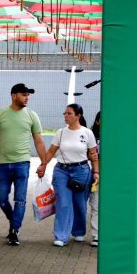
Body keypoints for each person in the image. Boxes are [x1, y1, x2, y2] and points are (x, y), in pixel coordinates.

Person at [0, 83, 47, 246]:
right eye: (24, 94)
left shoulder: (32, 116)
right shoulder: (0, 114)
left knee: (20, 200)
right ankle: (13, 220)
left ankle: (14, 231)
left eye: (28, 95)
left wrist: (44, 163)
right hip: (2, 164)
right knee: (1, 198)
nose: (27, 98)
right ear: (14, 95)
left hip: (22, 164)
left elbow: (39, 141)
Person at [40, 104, 99, 247]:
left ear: (78, 116)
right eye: (64, 113)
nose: (65, 116)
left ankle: (79, 231)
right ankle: (61, 236)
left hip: (81, 170)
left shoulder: (87, 133)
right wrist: (43, 165)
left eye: (69, 113)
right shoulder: (60, 132)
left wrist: (96, 172)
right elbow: (51, 152)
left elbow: (93, 154)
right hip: (62, 171)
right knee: (63, 202)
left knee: (80, 204)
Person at [88, 112, 101, 246]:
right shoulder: (90, 136)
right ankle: (96, 234)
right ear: (97, 121)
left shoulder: (115, 137)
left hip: (111, 176)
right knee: (96, 205)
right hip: (95, 175)